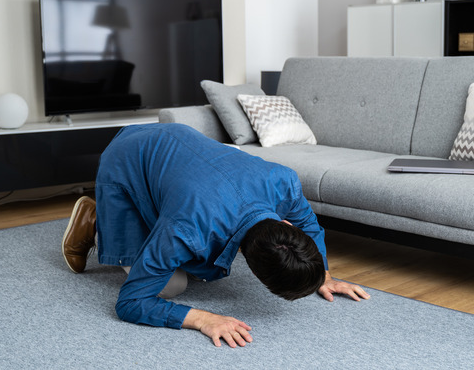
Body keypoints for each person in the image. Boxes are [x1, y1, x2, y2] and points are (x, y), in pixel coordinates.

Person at [62, 123, 369, 348]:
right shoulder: (187, 229)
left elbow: (311, 228)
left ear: (288, 226)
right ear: (251, 266)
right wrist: (203, 319)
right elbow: (130, 302)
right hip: (126, 158)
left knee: (185, 256)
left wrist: (322, 274)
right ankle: (95, 218)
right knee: (172, 285)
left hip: (182, 148)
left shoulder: (284, 181)